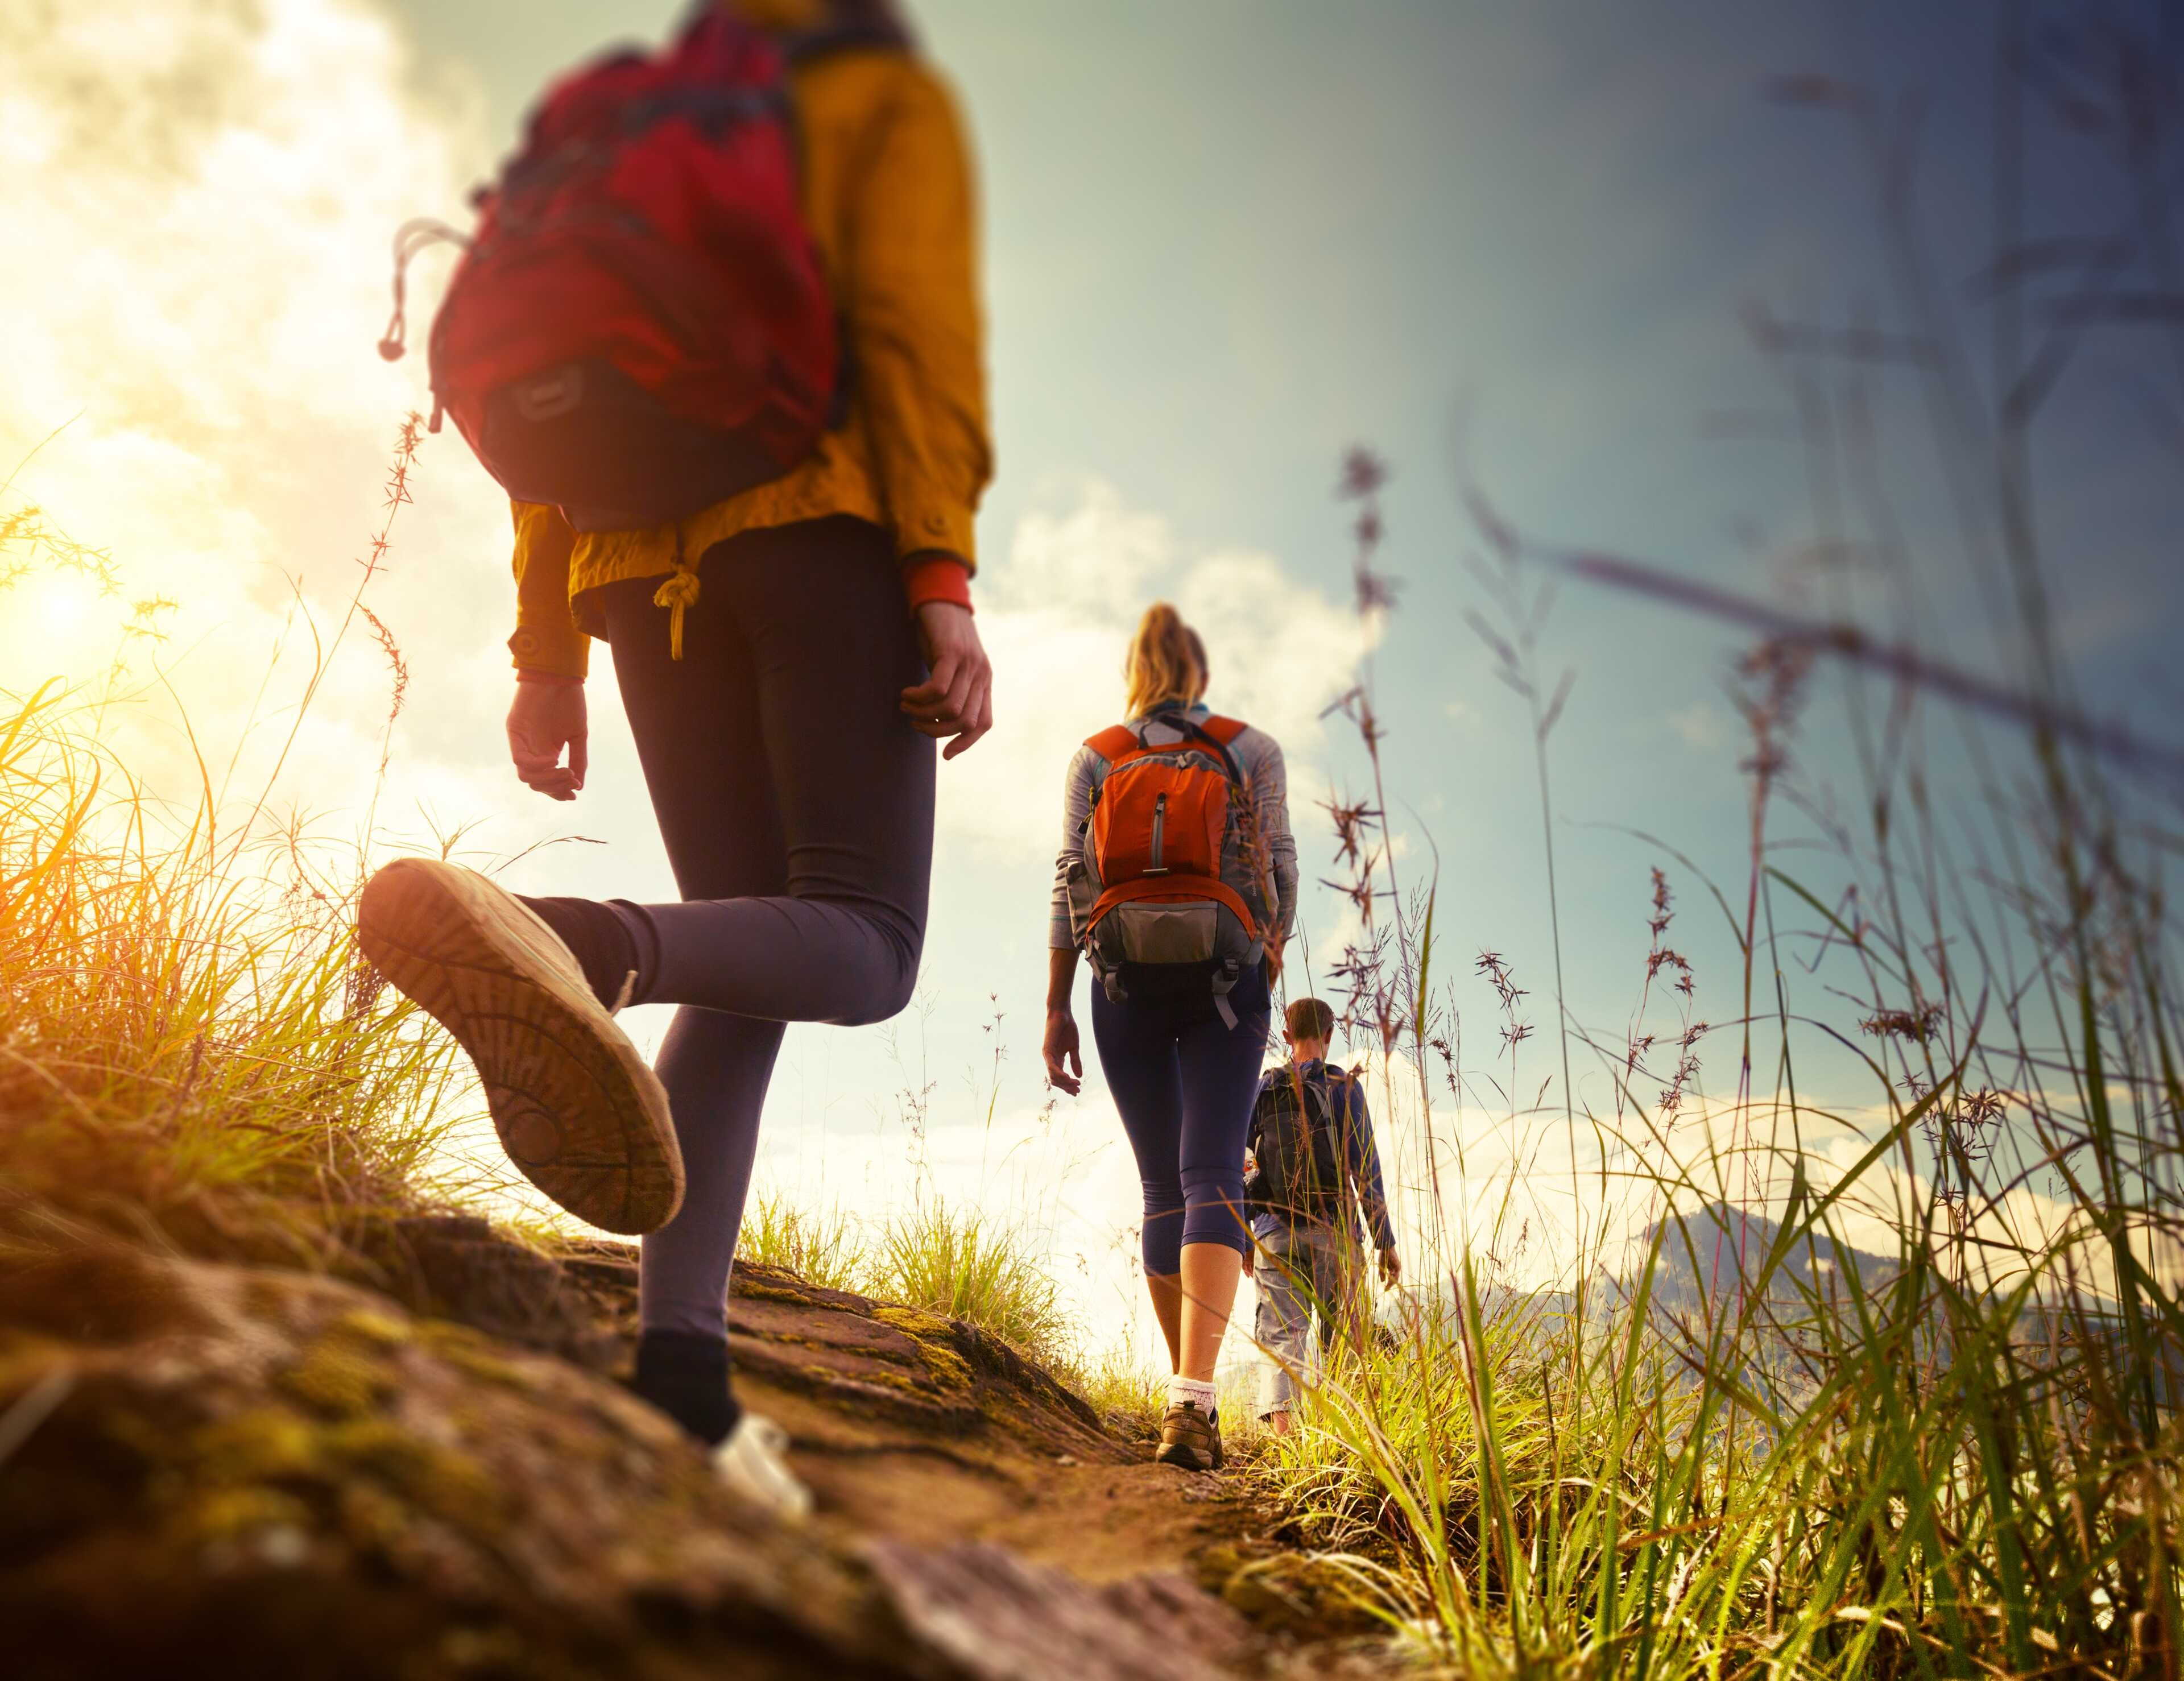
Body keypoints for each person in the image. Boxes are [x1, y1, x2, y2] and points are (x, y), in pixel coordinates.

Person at [357, 0, 990, 1518]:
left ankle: (683, 1385)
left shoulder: (623, 108)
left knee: (750, 958)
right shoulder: (871, 95)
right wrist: (943, 582)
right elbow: (913, 332)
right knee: (868, 939)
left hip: (636, 577)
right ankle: (580, 945)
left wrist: (547, 651)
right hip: (817, 539)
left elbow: (557, 413)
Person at [1042, 603, 1296, 1472]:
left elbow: (1066, 884)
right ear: (1201, 672)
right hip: (1229, 980)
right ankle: (1195, 1393)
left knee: (1162, 1188)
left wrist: (1058, 1006)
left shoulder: (1097, 757)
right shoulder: (1249, 748)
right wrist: (1264, 965)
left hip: (1120, 985)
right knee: (1214, 1175)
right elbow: (1282, 869)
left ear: (1134, 672)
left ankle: (1184, 1394)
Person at [1244, 997, 1400, 1436]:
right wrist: (1384, 1240)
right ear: (1329, 1036)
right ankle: (1342, 1444)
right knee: (1345, 1338)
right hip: (1337, 1231)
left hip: (1274, 1232)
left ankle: (1287, 1445)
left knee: (1281, 1339)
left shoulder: (1261, 1088)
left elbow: (1243, 1162)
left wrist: (1243, 1237)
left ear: (1287, 1035)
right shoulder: (1345, 1087)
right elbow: (1366, 1167)